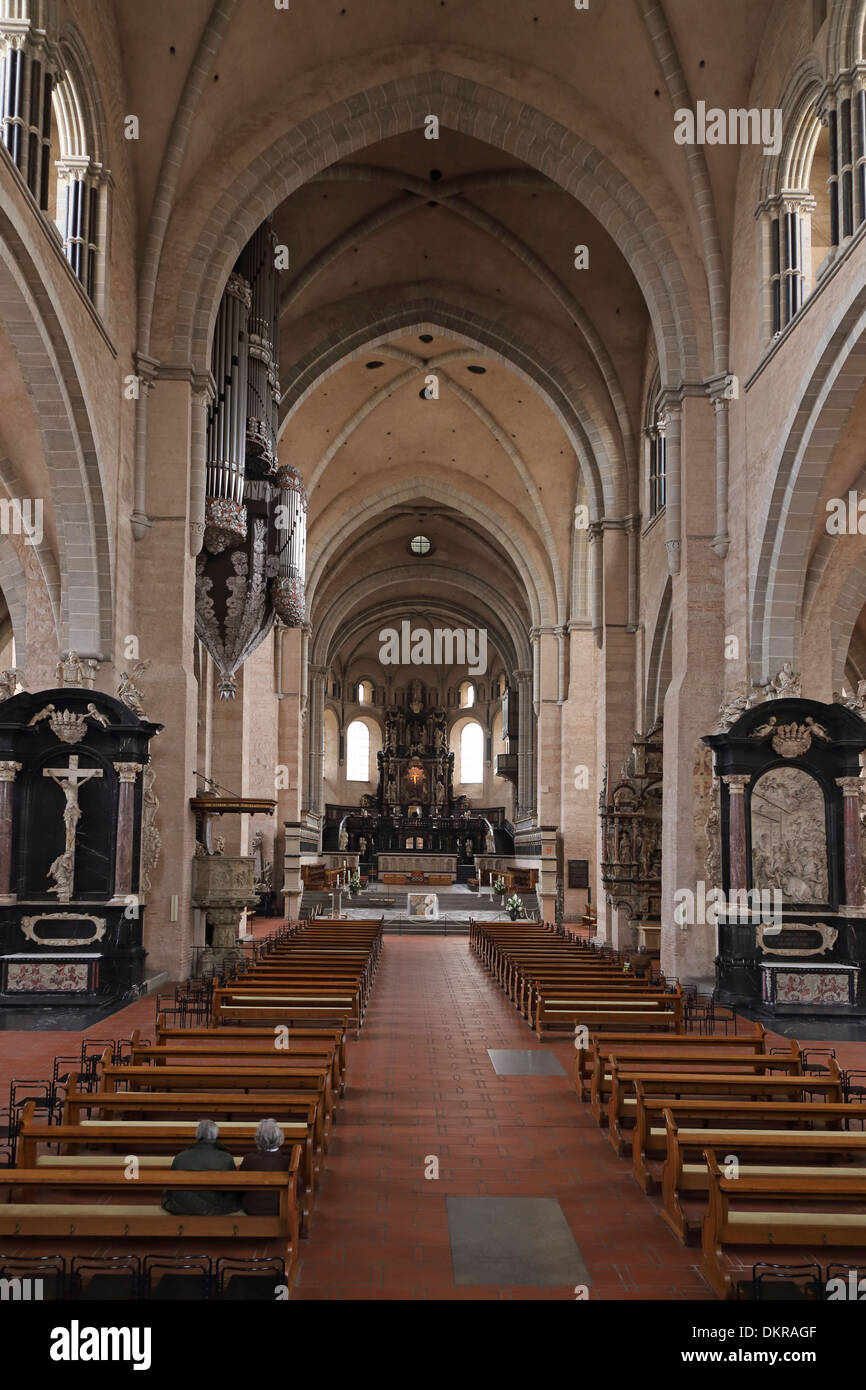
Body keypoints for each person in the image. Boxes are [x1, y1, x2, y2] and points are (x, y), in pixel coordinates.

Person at [161, 1119, 240, 1216]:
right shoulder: (226, 1158)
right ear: (215, 1135)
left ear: (197, 1135)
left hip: (182, 1207)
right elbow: (232, 1192)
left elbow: (170, 1189)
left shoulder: (180, 1157)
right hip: (216, 1207)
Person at [239, 1118, 294, 1215]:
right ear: (280, 1137)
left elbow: (240, 1186)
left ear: (258, 1138)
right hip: (279, 1208)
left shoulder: (249, 1159)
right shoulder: (288, 1162)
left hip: (252, 1208)